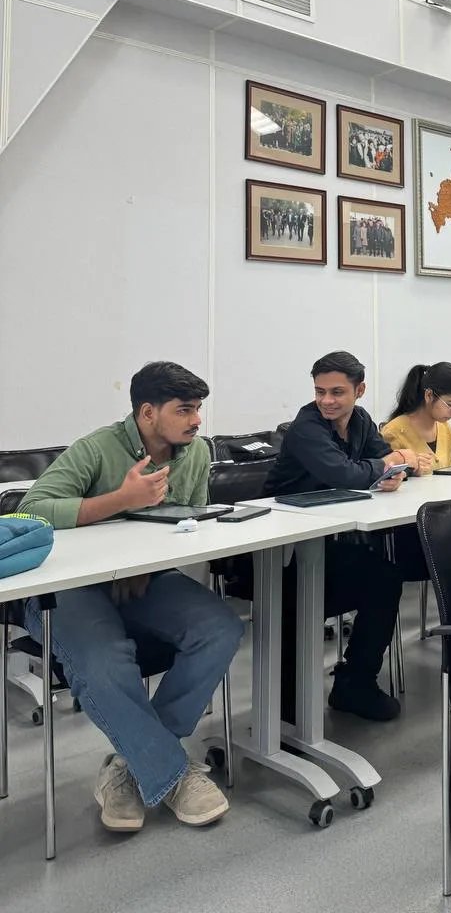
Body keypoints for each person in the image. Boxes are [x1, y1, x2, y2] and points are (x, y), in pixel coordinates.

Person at [20, 362, 243, 834]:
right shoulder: (96, 448)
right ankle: (170, 771)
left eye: (198, 409)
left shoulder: (196, 452)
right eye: (184, 410)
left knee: (219, 628)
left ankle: (132, 760)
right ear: (147, 413)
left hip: (144, 579)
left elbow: (186, 522)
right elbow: (30, 511)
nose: (196, 420)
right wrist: (121, 499)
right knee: (104, 660)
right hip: (69, 586)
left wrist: (146, 564)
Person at [261, 351, 422, 723]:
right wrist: (384, 466)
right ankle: (284, 706)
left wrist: (394, 472)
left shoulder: (361, 421)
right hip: (281, 549)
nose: (327, 400)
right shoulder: (306, 427)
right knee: (299, 598)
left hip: (328, 538)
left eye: (337, 392)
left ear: (359, 390)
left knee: (385, 577)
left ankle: (355, 683)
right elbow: (345, 474)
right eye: (320, 392)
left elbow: (388, 463)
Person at [381, 361, 451, 470]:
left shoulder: (445, 429)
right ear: (429, 395)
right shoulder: (393, 433)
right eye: (450, 404)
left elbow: (447, 472)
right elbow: (385, 475)